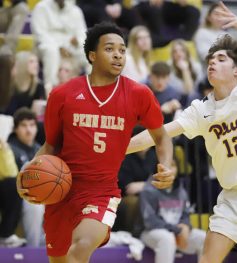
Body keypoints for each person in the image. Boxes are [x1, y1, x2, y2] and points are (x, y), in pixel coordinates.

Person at [127, 2, 237, 263]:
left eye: (221, 58)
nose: (212, 62)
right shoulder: (200, 110)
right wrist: (115, 149)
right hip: (232, 196)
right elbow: (158, 133)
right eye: (211, 59)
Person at [17, 21, 174, 263]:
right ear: (92, 55)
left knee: (80, 250)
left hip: (102, 192)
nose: (118, 55)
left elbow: (161, 136)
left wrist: (166, 164)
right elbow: (50, 147)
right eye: (110, 49)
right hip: (60, 191)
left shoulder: (139, 94)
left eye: (122, 50)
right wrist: (27, 175)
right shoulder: (62, 95)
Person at [139, 163, 206, 263]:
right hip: (151, 233)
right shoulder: (148, 189)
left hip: (177, 233)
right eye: (165, 165)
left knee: (204, 238)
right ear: (158, 169)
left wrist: (186, 227)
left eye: (173, 165)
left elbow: (186, 214)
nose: (169, 169)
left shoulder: (181, 190)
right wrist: (177, 230)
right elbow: (150, 221)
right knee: (167, 238)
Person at [8, 107, 45, 247]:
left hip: (44, 195)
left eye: (32, 125)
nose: (28, 130)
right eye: (23, 125)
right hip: (19, 199)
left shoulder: (41, 149)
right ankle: (33, 250)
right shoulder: (9, 149)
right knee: (35, 204)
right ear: (15, 129)